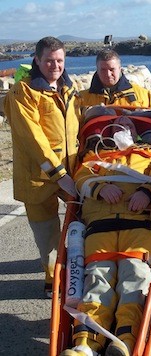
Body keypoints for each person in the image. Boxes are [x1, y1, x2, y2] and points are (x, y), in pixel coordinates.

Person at [61, 108, 151, 356]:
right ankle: (85, 343)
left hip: (140, 226)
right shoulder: (95, 158)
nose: (123, 126)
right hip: (100, 226)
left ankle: (125, 339)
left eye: (129, 124)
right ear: (109, 132)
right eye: (116, 125)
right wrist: (101, 188)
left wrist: (147, 192)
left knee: (135, 278)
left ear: (138, 132)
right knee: (97, 280)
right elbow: (81, 178)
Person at [4, 36, 81, 298]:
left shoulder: (69, 89)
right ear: (37, 60)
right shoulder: (22, 92)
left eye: (59, 60)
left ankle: (77, 270)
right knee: (46, 234)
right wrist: (58, 174)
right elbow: (32, 138)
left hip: (71, 172)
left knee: (80, 226)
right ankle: (53, 279)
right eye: (49, 60)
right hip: (39, 177)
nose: (55, 65)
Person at [79, 49, 151, 109]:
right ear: (97, 70)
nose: (108, 74)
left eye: (112, 69)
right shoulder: (81, 99)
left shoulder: (145, 96)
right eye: (103, 70)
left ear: (120, 69)